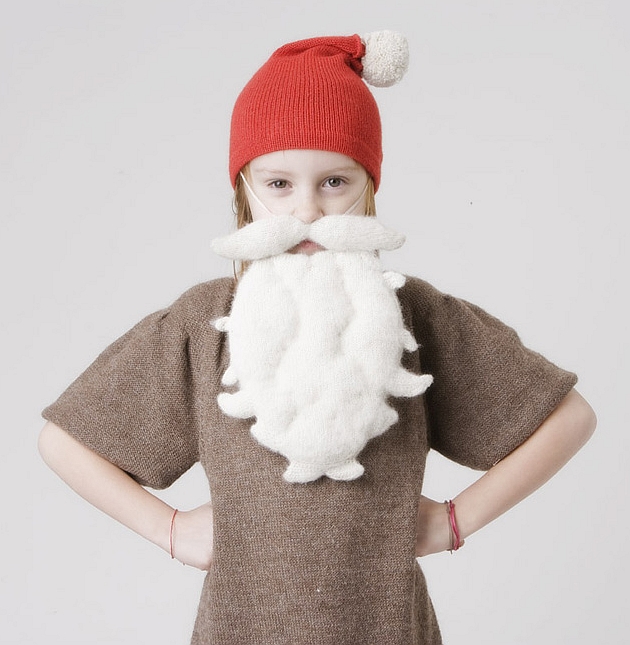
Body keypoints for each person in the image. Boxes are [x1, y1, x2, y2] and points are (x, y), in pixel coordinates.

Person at [38, 32, 596, 645]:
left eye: (334, 182)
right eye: (279, 184)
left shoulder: (415, 316)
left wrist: (453, 522)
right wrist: (167, 529)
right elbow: (64, 441)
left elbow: (569, 418)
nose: (307, 211)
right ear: (244, 191)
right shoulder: (203, 324)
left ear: (368, 185)